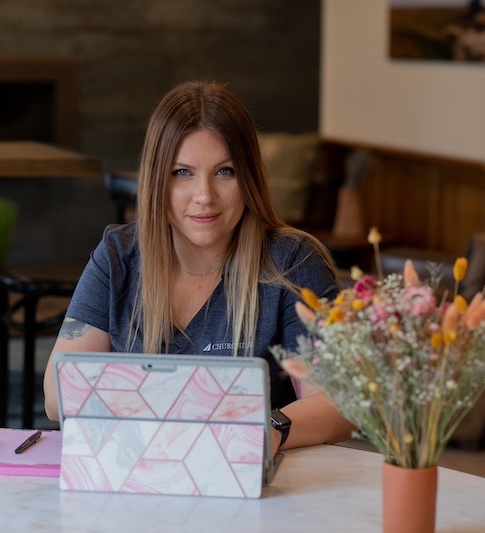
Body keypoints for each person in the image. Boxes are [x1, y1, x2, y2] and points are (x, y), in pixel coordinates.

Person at [43, 80, 354, 454]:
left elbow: (339, 405)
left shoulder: (293, 262)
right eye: (182, 173)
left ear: (249, 178)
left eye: (225, 172)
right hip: (139, 474)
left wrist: (266, 429)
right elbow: (57, 396)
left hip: (259, 484)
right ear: (158, 180)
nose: (204, 196)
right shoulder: (118, 255)